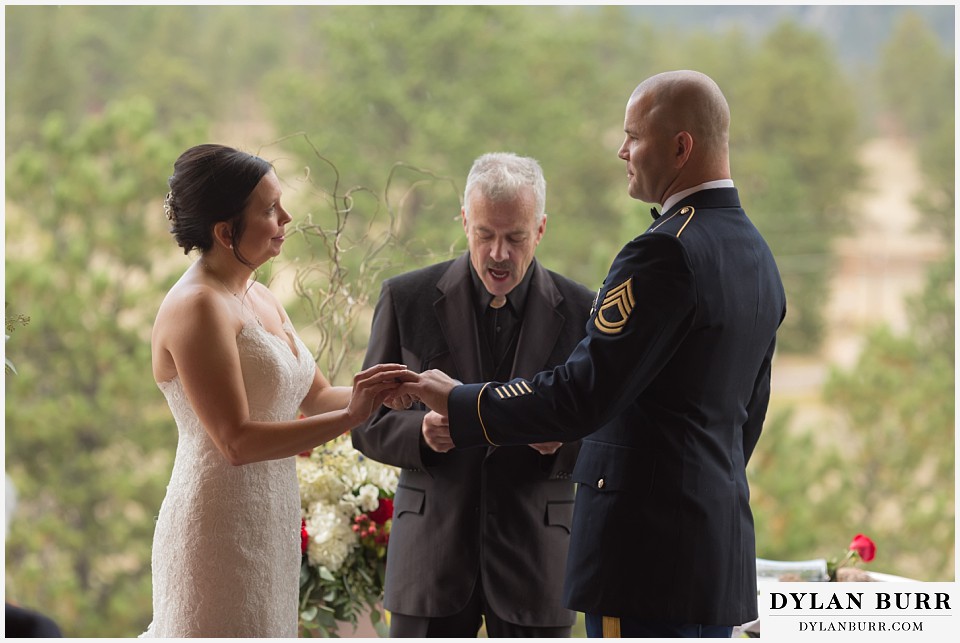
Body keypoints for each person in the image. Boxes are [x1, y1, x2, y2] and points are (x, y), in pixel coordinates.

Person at [405, 71, 787, 638]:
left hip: (643, 558)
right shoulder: (756, 254)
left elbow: (582, 392)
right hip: (711, 557)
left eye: (634, 136)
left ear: (681, 146)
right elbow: (744, 420)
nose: (622, 150)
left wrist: (464, 402)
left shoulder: (664, 253)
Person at [142, 144, 415, 637]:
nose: (286, 217)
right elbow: (237, 441)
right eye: (269, 210)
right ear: (225, 233)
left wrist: (389, 388)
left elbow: (317, 397)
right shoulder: (198, 307)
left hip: (271, 524)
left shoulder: (256, 293)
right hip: (215, 530)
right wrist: (353, 417)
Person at [351, 152, 595, 637]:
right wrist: (419, 431)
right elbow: (365, 424)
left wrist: (562, 445)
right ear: (465, 221)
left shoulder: (586, 309)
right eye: (485, 234)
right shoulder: (405, 299)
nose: (498, 253)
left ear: (541, 229)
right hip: (429, 564)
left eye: (515, 237)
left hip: (538, 565)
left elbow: (608, 433)